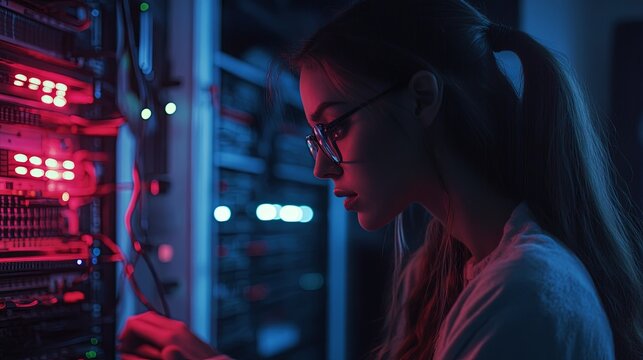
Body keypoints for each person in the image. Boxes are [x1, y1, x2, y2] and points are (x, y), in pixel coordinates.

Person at [119, 0, 643, 359]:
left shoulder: (524, 291)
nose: (322, 167)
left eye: (336, 127)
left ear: (421, 98)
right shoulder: (459, 269)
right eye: (316, 137)